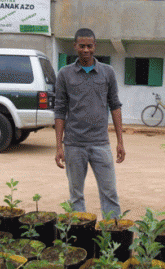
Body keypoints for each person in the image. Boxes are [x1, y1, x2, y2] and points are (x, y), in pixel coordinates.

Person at [54, 28, 125, 218]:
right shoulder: (65, 74)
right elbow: (60, 110)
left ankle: (113, 235)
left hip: (100, 143)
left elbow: (115, 106)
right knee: (76, 196)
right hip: (74, 145)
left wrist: (120, 141)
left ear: (95, 46)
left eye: (90, 46)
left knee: (109, 193)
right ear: (75, 46)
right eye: (82, 46)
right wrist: (58, 146)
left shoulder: (107, 73)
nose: (86, 50)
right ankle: (80, 234)